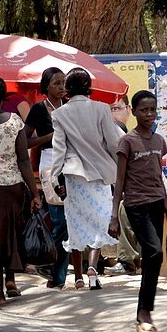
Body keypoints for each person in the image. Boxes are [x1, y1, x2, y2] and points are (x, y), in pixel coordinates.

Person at [109, 91, 167, 332]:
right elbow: (119, 180)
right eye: (144, 110)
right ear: (134, 112)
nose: (149, 114)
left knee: (153, 259)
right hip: (135, 205)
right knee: (154, 252)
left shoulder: (159, 141)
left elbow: (159, 178)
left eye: (152, 109)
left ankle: (144, 311)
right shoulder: (127, 141)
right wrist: (114, 216)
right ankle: (144, 312)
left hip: (157, 203)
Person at [50, 66, 119, 290]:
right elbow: (112, 143)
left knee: (76, 225)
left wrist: (54, 179)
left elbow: (58, 149)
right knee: (100, 221)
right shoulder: (101, 109)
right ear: (89, 87)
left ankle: (78, 277)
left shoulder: (59, 114)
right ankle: (92, 268)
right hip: (100, 175)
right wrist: (120, 171)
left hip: (73, 176)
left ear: (68, 89)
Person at [0, 76, 40, 306]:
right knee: (11, 234)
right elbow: (24, 160)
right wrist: (34, 193)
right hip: (15, 187)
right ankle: (11, 280)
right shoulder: (15, 121)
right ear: (5, 94)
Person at [24, 67, 71, 289]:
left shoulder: (71, 107)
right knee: (59, 219)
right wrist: (49, 137)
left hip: (72, 164)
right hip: (50, 163)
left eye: (64, 83)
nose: (62, 87)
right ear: (46, 86)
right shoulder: (38, 110)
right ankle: (54, 270)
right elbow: (24, 141)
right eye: (56, 84)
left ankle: (61, 273)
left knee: (71, 219)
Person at [105, 95, 141, 276]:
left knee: (123, 209)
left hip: (137, 191)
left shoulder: (133, 138)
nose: (113, 114)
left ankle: (127, 261)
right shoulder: (109, 136)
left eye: (117, 108)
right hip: (115, 188)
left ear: (128, 110)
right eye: (110, 109)